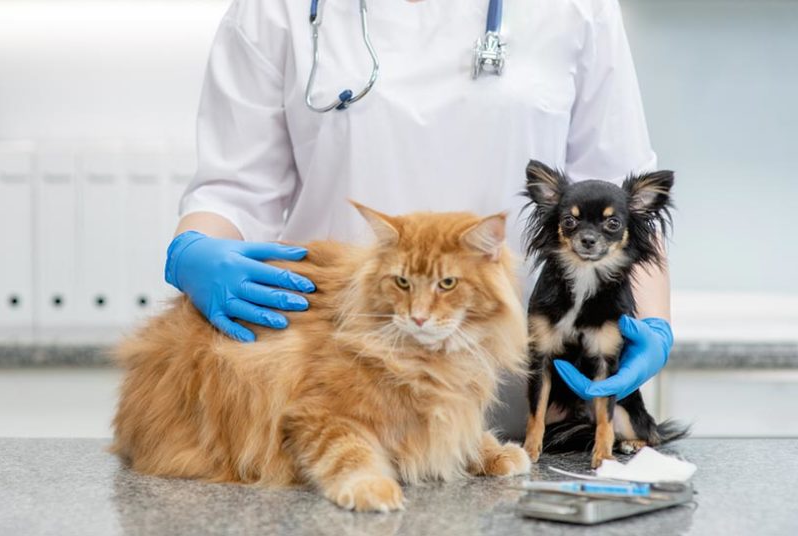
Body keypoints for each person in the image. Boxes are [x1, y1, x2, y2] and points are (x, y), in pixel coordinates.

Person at [165, 0, 673, 439]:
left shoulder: (578, 8)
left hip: (526, 391)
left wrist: (651, 324)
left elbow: (623, 205)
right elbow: (233, 190)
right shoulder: (275, 10)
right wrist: (196, 251)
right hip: (341, 388)